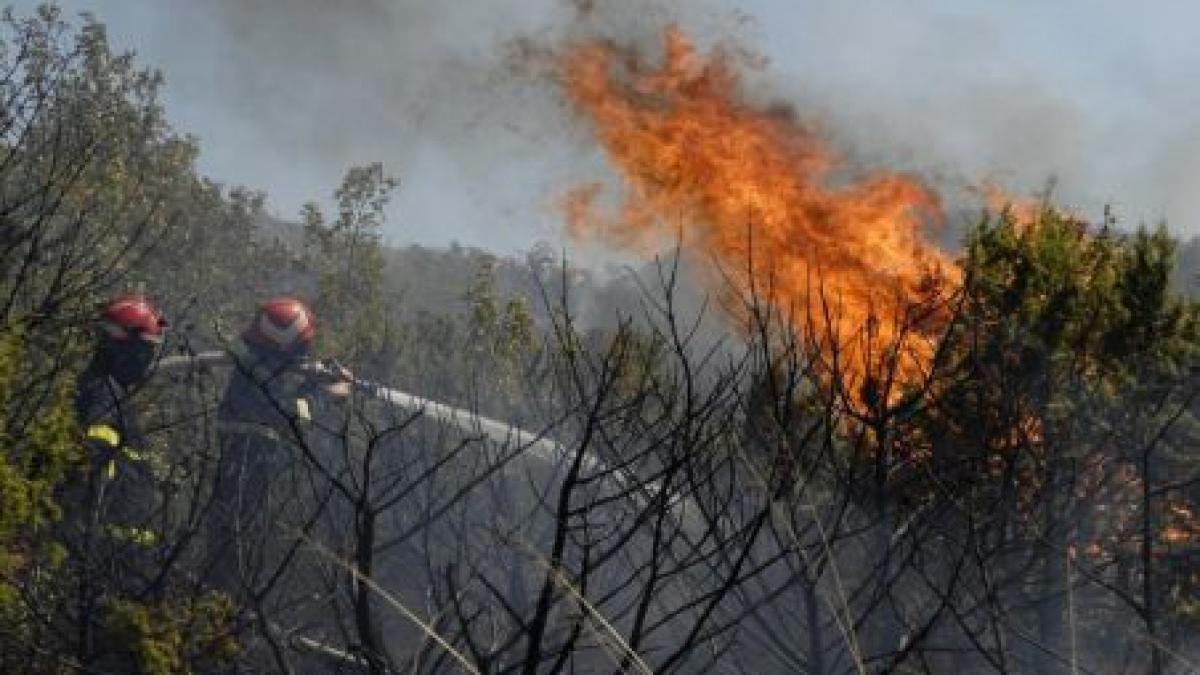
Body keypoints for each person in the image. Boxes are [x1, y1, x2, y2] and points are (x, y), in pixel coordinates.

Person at [206, 296, 351, 594]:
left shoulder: (253, 367)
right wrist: (328, 394)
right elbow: (290, 415)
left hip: (244, 481)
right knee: (234, 570)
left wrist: (314, 382)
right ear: (292, 348)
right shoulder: (255, 376)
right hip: (245, 487)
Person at [70, 293, 167, 663]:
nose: (148, 360)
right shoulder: (103, 398)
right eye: (145, 350)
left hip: (118, 553)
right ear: (124, 348)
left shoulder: (101, 391)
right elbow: (91, 469)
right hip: (112, 560)